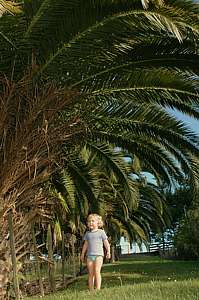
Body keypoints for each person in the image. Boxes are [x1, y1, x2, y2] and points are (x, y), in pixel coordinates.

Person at [80, 213, 111, 291]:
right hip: (89, 256)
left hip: (99, 255)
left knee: (97, 271)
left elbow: (106, 243)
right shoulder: (87, 234)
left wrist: (108, 251)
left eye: (93, 221)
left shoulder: (101, 232)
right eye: (89, 221)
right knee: (90, 273)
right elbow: (85, 245)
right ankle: (91, 290)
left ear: (98, 222)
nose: (91, 223)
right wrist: (83, 254)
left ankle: (98, 289)